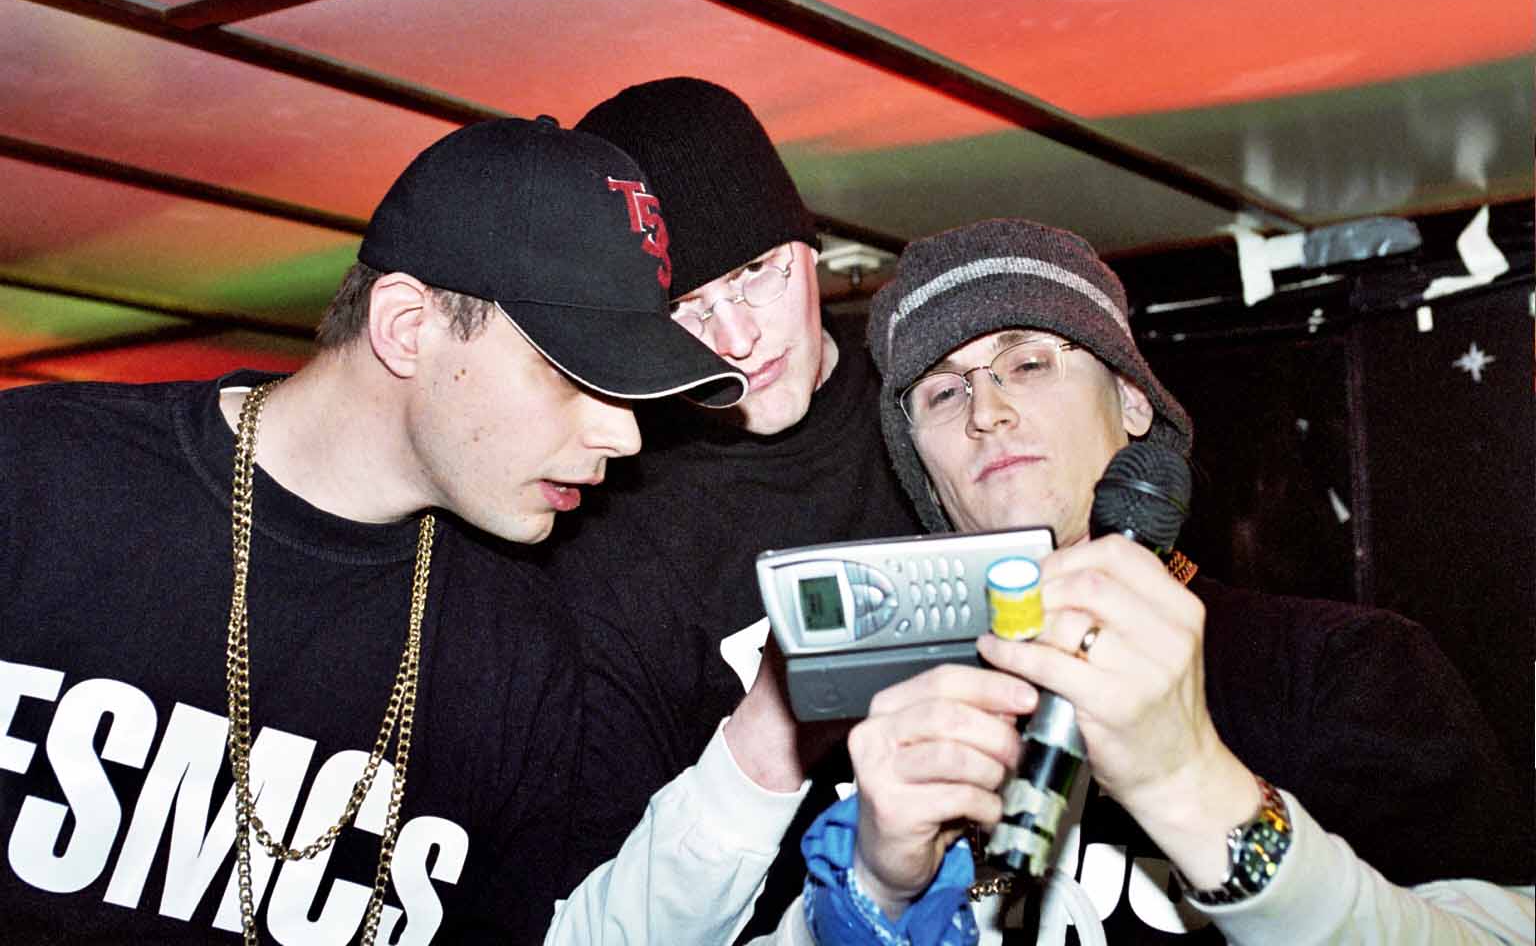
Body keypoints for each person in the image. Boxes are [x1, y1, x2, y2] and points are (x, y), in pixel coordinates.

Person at [0, 115, 760, 943]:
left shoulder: (517, 647)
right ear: (406, 327)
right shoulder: (36, 475)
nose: (625, 435)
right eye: (575, 375)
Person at [789, 218, 1534, 944]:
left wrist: (1188, 783)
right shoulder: (890, 717)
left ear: (1133, 399)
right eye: (943, 393)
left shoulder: (1339, 666)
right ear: (923, 472)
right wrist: (877, 897)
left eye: (1028, 363)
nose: (987, 410)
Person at [539, 77, 922, 932]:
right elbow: (615, 902)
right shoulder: (612, 538)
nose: (737, 341)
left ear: (809, 247)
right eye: (684, 307)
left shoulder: (935, 407)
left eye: (757, 272)